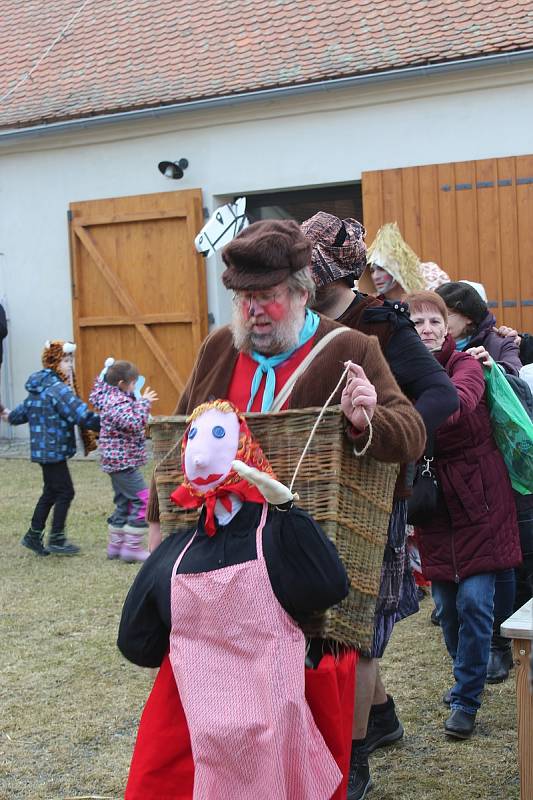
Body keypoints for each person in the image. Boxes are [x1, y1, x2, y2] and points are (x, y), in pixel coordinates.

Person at [135, 219, 426, 800]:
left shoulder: (351, 348)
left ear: (301, 289)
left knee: (296, 757)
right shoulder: (220, 346)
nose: (253, 312)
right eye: (243, 299)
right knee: (186, 750)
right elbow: (181, 442)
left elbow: (411, 432)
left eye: (266, 296)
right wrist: (154, 524)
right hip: (218, 588)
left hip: (301, 589)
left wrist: (370, 418)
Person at [301, 211, 459, 800]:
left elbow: (441, 395)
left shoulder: (381, 325)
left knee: (356, 630)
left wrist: (396, 441)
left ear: (327, 271)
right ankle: (384, 715)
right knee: (332, 617)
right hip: (311, 491)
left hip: (373, 495)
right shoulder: (297, 323)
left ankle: (355, 753)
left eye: (303, 267)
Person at [119, 399, 350, 800]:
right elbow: (330, 587)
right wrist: (288, 511)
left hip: (201, 729)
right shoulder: (276, 535)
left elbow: (136, 643)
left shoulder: (173, 553)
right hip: (270, 728)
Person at [406, 290, 521, 739]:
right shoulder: (401, 376)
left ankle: (466, 700)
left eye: (435, 321)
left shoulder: (467, 364)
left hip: (481, 498)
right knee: (447, 608)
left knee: (475, 602)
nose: (429, 330)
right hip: (434, 506)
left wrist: (400, 412)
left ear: (449, 326)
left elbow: (455, 405)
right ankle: (464, 677)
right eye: (417, 324)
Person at [436, 280, 526, 682]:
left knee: (504, 557)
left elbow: (514, 380)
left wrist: (489, 364)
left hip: (502, 460)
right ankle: (477, 652)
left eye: (443, 315)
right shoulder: (437, 353)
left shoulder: (499, 341)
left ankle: (498, 644)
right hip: (465, 467)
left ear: (465, 317)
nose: (435, 324)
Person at [1, 340, 100, 555]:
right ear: (53, 362)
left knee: (50, 492)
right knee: (65, 491)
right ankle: (56, 539)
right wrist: (108, 422)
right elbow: (80, 414)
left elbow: (18, 415)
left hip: (43, 451)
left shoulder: (39, 386)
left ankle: (33, 535)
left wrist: (6, 414)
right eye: (65, 360)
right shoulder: (57, 389)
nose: (69, 364)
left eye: (70, 359)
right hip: (53, 450)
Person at [89, 359, 158, 562]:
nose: (135, 387)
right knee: (143, 500)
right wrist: (144, 403)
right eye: (133, 383)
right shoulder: (116, 402)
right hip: (122, 462)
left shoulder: (113, 398)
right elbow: (133, 423)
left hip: (118, 460)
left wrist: (137, 402)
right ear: (121, 384)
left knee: (124, 501)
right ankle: (132, 548)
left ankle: (116, 546)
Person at [357, 222, 450, 301]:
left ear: (397, 269)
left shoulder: (421, 302)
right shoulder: (374, 307)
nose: (375, 276)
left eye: (382, 269)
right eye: (372, 271)